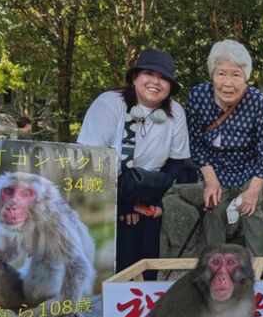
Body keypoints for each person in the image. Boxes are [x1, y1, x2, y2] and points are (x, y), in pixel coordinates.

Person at [78, 48, 190, 280]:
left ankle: (145, 300)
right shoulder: (109, 104)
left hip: (149, 192)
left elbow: (176, 162)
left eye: (163, 78)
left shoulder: (175, 112)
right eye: (149, 74)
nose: (155, 82)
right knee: (115, 266)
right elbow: (90, 160)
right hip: (106, 194)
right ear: (135, 77)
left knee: (146, 263)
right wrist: (123, 204)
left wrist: (149, 199)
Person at [186, 39, 263, 258]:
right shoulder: (197, 97)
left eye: (236, 75)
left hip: (249, 167)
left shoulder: (257, 101)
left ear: (245, 78)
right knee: (214, 210)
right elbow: (196, 143)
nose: (227, 83)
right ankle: (215, 265)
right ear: (212, 75)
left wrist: (253, 191)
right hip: (214, 167)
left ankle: (257, 269)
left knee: (251, 211)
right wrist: (210, 180)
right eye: (221, 74)